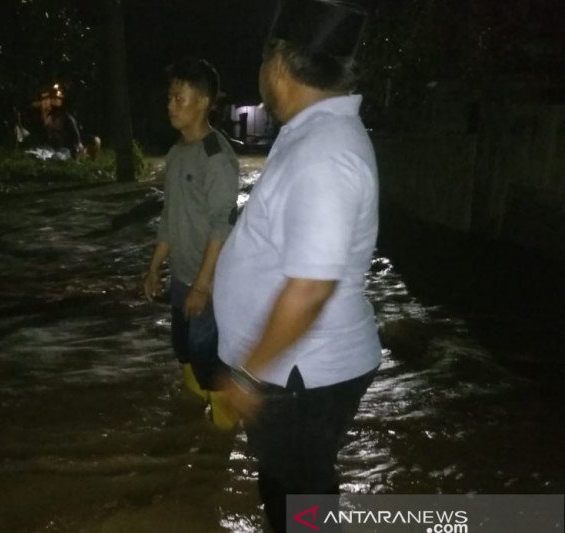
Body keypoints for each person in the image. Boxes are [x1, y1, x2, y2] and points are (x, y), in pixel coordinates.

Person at [212, 0, 381, 531]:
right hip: (295, 369)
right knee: (288, 486)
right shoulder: (311, 133)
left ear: (279, 64)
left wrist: (249, 372)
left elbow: (310, 287)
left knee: (301, 499)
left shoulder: (325, 151)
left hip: (300, 373)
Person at [142, 57, 240, 428]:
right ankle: (192, 410)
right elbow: (169, 217)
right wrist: (154, 268)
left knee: (204, 352)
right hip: (183, 276)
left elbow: (222, 225)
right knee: (182, 347)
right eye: (169, 98)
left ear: (202, 102)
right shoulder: (175, 152)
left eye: (178, 98)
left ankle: (223, 433)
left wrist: (202, 285)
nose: (170, 105)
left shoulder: (216, 157)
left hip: (211, 280)